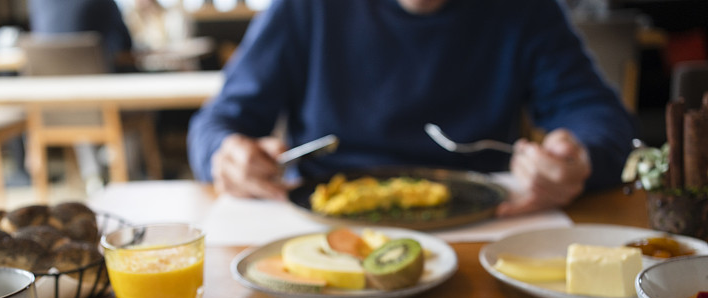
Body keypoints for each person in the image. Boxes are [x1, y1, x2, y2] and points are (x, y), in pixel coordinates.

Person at [186, 0, 637, 216]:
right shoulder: (304, 8)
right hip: (324, 223)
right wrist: (226, 154)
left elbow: (599, 117)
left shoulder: (526, 10)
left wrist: (578, 154)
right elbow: (217, 122)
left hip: (483, 223)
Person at [27, 0, 133, 72]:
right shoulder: (104, 2)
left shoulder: (37, 2)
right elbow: (127, 44)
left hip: (47, 88)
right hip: (98, 88)